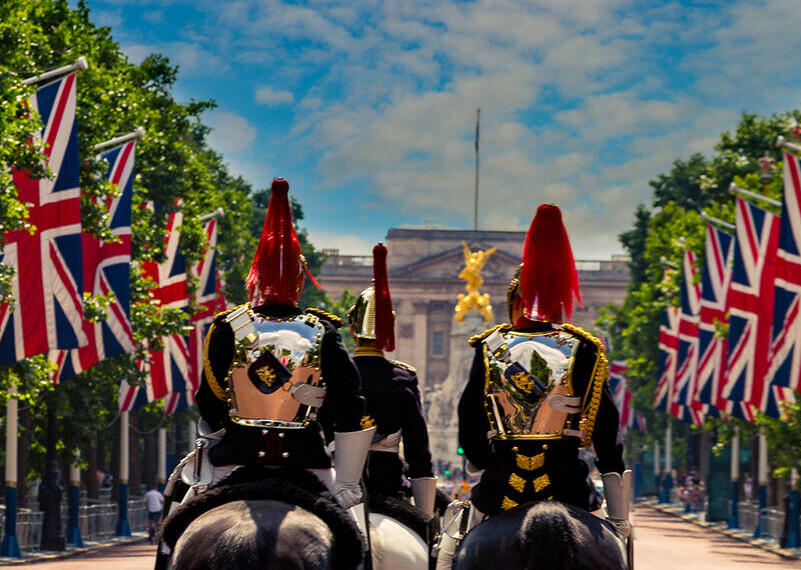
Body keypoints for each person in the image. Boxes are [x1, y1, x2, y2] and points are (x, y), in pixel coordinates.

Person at [435, 204, 632, 568]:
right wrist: (619, 518)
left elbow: (470, 426)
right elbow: (608, 436)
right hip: (570, 490)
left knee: (447, 552)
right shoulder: (584, 348)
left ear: (514, 302)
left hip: (499, 492)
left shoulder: (489, 347)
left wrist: (483, 461)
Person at [190, 178, 373, 509]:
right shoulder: (323, 331)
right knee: (356, 534)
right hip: (307, 461)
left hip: (235, 459)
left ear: (256, 277)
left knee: (177, 520)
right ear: (301, 279)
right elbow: (349, 406)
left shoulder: (227, 328)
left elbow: (209, 402)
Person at [345, 243, 436, 517]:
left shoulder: (334, 373)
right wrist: (425, 516)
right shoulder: (402, 378)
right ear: (389, 330)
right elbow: (418, 451)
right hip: (387, 485)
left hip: (340, 488)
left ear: (352, 328)